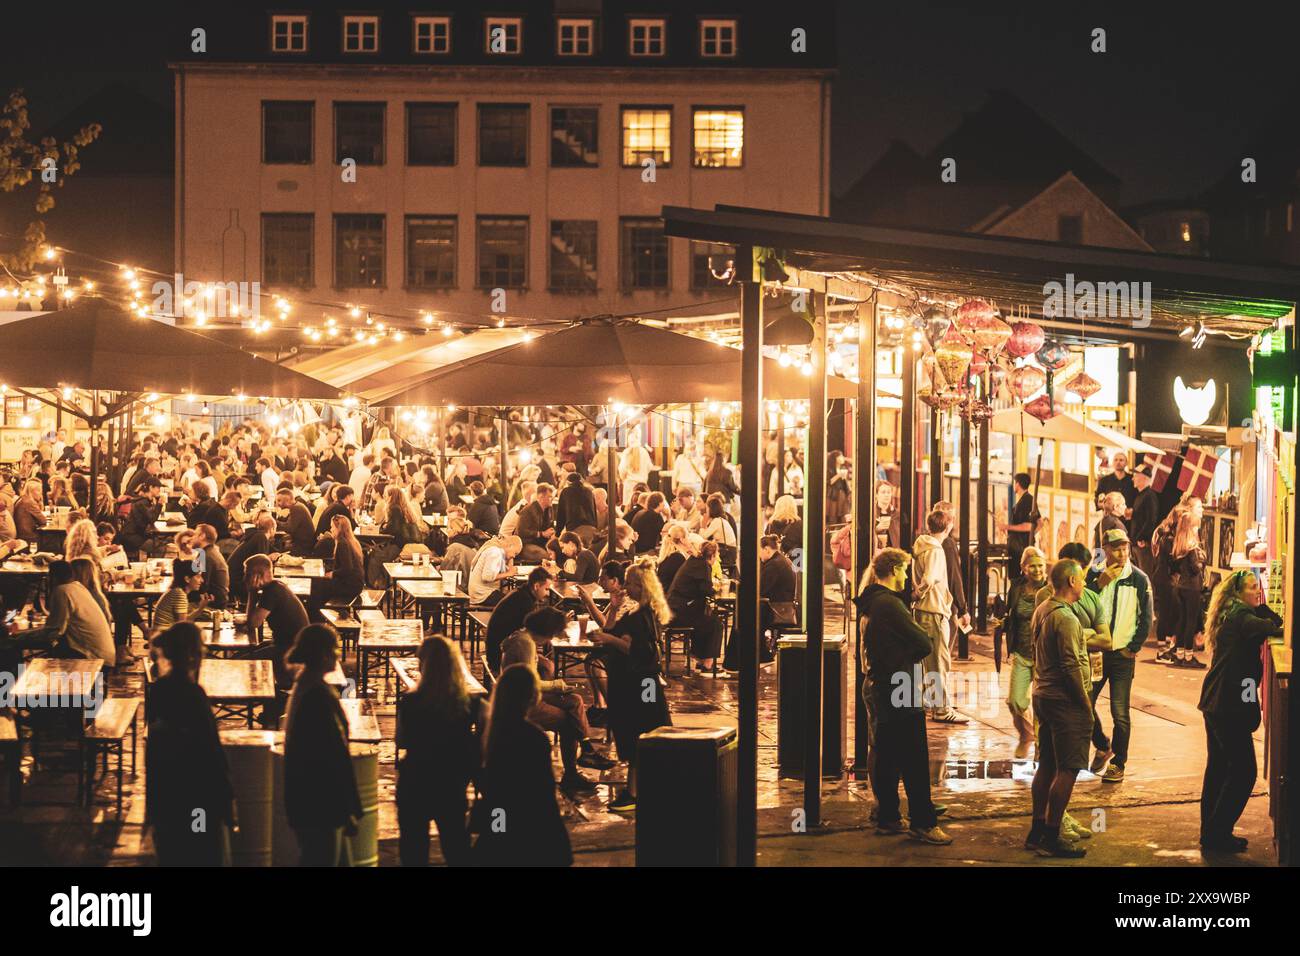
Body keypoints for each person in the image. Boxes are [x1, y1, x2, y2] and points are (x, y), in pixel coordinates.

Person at [855, 548, 952, 845]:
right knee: (914, 757)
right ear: (894, 569)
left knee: (885, 754)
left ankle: (888, 816)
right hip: (901, 684)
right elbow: (924, 642)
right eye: (905, 570)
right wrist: (909, 651)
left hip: (881, 683)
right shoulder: (889, 605)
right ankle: (923, 822)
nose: (908, 576)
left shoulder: (871, 601)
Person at [1197, 570, 1284, 853]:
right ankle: (1218, 833)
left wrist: (1258, 604)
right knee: (1245, 771)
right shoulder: (1242, 618)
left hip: (1216, 700)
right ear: (1236, 593)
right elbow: (1275, 626)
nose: (1256, 593)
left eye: (1258, 588)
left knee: (1219, 768)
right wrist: (1262, 608)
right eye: (1250, 589)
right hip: (1227, 704)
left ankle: (1211, 833)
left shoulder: (1232, 613)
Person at [146, 622, 235, 866]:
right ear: (193, 655)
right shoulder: (193, 695)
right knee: (202, 848)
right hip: (198, 801)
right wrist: (227, 802)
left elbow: (153, 747)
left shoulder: (159, 689)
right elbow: (212, 754)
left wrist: (152, 807)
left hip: (167, 798)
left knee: (173, 852)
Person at [591, 559, 672, 812]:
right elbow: (616, 631)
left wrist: (606, 638)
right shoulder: (643, 612)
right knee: (642, 735)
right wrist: (613, 610)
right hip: (638, 683)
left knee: (639, 734)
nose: (625, 587)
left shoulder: (641, 616)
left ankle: (634, 792)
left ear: (640, 586)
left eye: (629, 583)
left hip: (637, 685)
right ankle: (636, 789)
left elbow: (633, 648)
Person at [472, 664, 572, 866]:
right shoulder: (534, 737)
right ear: (532, 697)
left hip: (500, 815)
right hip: (528, 821)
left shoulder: (491, 732)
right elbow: (543, 790)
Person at [501, 616, 613, 793]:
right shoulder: (526, 645)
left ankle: (587, 749)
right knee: (570, 722)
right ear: (547, 632)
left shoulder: (522, 637)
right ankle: (572, 773)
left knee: (575, 700)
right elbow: (531, 683)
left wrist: (543, 662)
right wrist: (556, 685)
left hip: (527, 695)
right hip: (524, 703)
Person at [1025, 558, 1091, 858]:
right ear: (1072, 582)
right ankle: (1051, 835)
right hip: (1063, 701)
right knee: (1068, 768)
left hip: (1042, 695)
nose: (1085, 584)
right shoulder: (1066, 619)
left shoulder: (1042, 609)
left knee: (1047, 765)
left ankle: (1037, 830)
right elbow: (1070, 666)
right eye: (1082, 579)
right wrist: (1085, 704)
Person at [397, 635, 480, 866]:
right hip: (451, 783)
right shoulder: (468, 704)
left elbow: (402, 740)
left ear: (424, 664)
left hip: (415, 781)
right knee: (456, 847)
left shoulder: (411, 702)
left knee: (413, 849)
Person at [283, 624, 361, 866]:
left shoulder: (304, 686)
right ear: (325, 654)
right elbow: (333, 757)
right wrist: (349, 807)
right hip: (321, 804)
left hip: (307, 799)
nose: (339, 654)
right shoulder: (318, 697)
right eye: (335, 649)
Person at [1085, 527, 1153, 782]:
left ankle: (1119, 762)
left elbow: (1146, 618)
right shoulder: (1093, 575)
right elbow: (1081, 604)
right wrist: (1099, 583)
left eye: (1125, 547)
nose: (1122, 553)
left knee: (1120, 712)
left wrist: (1131, 647)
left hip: (1122, 656)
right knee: (1085, 703)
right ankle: (1103, 745)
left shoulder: (1138, 579)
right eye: (1116, 548)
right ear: (1106, 550)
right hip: (1097, 653)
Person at [912, 509, 965, 723]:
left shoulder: (921, 545)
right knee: (939, 662)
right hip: (934, 611)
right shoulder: (936, 550)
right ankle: (942, 709)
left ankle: (928, 701)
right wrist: (919, 592)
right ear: (948, 526)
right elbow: (931, 578)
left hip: (923, 611)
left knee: (926, 662)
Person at [1001, 547, 1046, 757]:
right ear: (1023, 568)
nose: (1037, 570)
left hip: (1044, 656)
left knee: (1041, 704)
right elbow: (1011, 614)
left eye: (1041, 565)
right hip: (1021, 652)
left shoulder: (1050, 588)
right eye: (1033, 566)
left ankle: (1041, 747)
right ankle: (1026, 734)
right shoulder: (1016, 588)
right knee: (1015, 701)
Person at [38, 560, 115, 664]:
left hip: (92, 657)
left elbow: (55, 629)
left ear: (53, 577)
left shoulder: (62, 591)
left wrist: (23, 637)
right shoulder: (78, 587)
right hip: (105, 654)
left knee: (49, 657)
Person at [666, 539, 722, 673]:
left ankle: (699, 659)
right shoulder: (703, 566)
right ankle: (707, 664)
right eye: (717, 555)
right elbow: (706, 589)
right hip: (679, 613)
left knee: (704, 619)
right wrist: (717, 590)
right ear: (713, 556)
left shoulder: (694, 561)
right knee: (716, 624)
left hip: (674, 609)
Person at [484, 565, 554, 671]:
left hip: (500, 648)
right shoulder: (525, 602)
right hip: (499, 656)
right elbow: (533, 635)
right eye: (546, 589)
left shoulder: (523, 593)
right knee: (547, 667)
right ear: (536, 586)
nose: (548, 594)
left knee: (544, 662)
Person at [1169, 510, 1208, 668]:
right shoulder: (1192, 548)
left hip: (1181, 586)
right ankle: (1189, 656)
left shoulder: (1179, 545)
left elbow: (1176, 567)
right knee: (1191, 622)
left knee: (1182, 621)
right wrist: (1202, 559)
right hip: (1192, 587)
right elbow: (1195, 568)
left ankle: (1179, 654)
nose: (1197, 529)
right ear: (1191, 527)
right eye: (1196, 527)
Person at [997, 472, 1039, 579]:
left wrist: (1007, 527)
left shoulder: (1027, 500)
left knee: (1018, 578)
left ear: (1018, 484)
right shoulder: (1025, 500)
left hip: (1020, 548)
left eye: (1015, 483)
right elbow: (1040, 522)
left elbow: (1029, 526)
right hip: (1018, 545)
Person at [152, 559, 211, 632]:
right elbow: (182, 627)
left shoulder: (177, 591)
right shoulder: (179, 594)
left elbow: (184, 621)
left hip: (164, 635)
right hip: (164, 638)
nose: (202, 580)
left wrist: (200, 608)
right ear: (187, 579)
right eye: (198, 576)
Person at [229, 512, 276, 602]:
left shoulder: (255, 535)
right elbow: (261, 565)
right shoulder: (261, 538)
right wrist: (269, 558)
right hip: (239, 581)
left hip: (233, 578)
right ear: (272, 529)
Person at [468, 534, 522, 607]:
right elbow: (487, 577)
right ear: (510, 546)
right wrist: (509, 573)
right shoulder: (495, 552)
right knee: (516, 604)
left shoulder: (496, 549)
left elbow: (508, 569)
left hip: (478, 594)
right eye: (515, 553)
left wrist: (510, 559)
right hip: (483, 595)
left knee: (513, 599)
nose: (514, 556)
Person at [1129, 463, 1160, 579]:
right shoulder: (1140, 495)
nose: (1132, 478)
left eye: (1135, 475)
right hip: (1137, 544)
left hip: (1143, 545)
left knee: (1145, 578)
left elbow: (1151, 520)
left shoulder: (1150, 496)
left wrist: (1141, 538)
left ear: (1143, 477)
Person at [515, 483, 556, 564]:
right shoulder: (527, 510)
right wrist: (541, 534)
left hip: (542, 543)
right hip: (526, 544)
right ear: (541, 496)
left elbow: (550, 527)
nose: (552, 499)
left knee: (559, 552)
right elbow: (521, 532)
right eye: (550, 497)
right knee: (547, 557)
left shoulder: (549, 509)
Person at [193, 523, 230, 609]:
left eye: (195, 535)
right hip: (218, 601)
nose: (192, 538)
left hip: (212, 605)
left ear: (202, 536)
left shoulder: (206, 556)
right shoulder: (211, 551)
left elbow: (201, 586)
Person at [276, 486, 317, 556]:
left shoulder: (296, 508)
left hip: (303, 547)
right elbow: (290, 522)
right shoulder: (297, 506)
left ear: (288, 500)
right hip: (301, 543)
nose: (277, 504)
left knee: (276, 548)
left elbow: (289, 528)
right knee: (278, 542)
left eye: (279, 501)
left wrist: (274, 522)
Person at [1096, 451, 1136, 521]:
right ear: (1112, 463)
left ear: (1126, 463)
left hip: (1127, 520)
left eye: (1121, 460)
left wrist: (1131, 510)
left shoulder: (1133, 480)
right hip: (1109, 519)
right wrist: (1107, 507)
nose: (1118, 462)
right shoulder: (1104, 480)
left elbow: (1137, 499)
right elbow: (1097, 499)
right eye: (1116, 460)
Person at [872, 480, 901, 552]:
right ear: (876, 494)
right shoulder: (871, 513)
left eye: (889, 492)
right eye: (883, 492)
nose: (886, 495)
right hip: (875, 553)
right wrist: (877, 529)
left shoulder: (897, 514)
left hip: (894, 553)